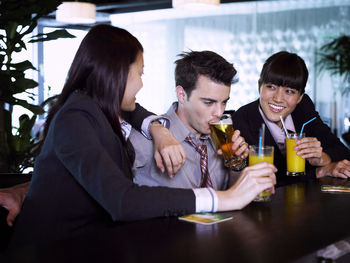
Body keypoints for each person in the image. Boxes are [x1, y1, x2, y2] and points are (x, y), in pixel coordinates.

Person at [9, 24, 276, 247]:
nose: (141, 83)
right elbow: (122, 199)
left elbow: (134, 114)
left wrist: (155, 126)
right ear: (116, 73)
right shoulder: (75, 117)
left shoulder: (101, 110)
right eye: (140, 72)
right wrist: (223, 198)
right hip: (53, 251)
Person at [132, 50, 249, 190]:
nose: (219, 113)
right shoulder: (144, 141)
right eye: (208, 102)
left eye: (224, 102)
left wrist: (236, 163)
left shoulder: (221, 139)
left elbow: (234, 197)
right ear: (182, 95)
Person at [232, 51, 350, 184]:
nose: (278, 98)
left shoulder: (303, 109)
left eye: (289, 91)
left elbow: (342, 151)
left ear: (300, 97)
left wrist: (323, 159)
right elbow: (259, 181)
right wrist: (319, 172)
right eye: (271, 87)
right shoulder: (242, 120)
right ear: (259, 87)